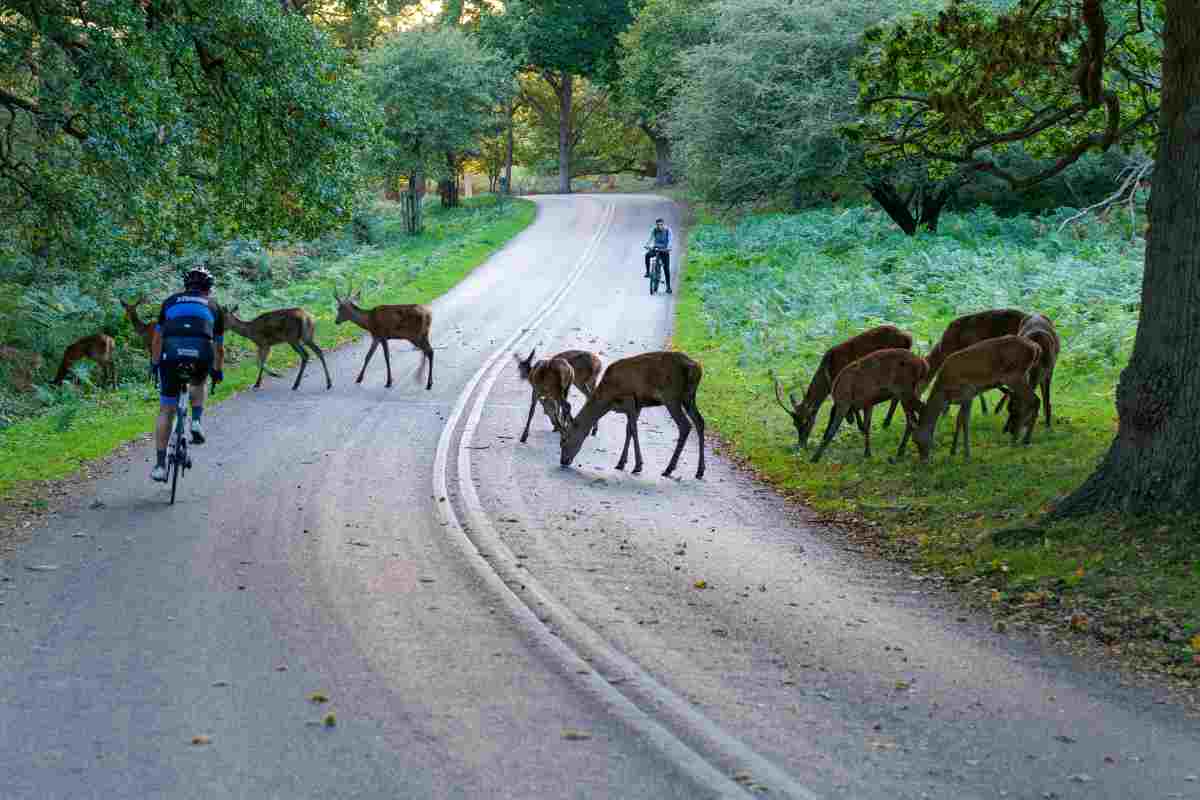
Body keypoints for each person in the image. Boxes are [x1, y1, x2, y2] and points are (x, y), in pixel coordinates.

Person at [149, 266, 226, 482]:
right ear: (208, 289)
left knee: (166, 409)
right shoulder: (214, 307)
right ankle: (196, 422)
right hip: (200, 355)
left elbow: (157, 340)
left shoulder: (170, 302)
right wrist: (217, 371)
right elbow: (219, 348)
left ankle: (160, 466)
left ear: (186, 286)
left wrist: (155, 364)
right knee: (199, 383)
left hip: (170, 356)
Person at [644, 217, 672, 294]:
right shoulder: (655, 230)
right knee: (647, 255)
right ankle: (648, 272)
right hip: (656, 248)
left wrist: (669, 247)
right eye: (658, 225)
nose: (659, 226)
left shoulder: (668, 230)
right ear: (656, 225)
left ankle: (668, 287)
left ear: (663, 224)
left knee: (666, 269)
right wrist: (647, 244)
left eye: (661, 224)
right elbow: (651, 238)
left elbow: (670, 239)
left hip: (664, 250)